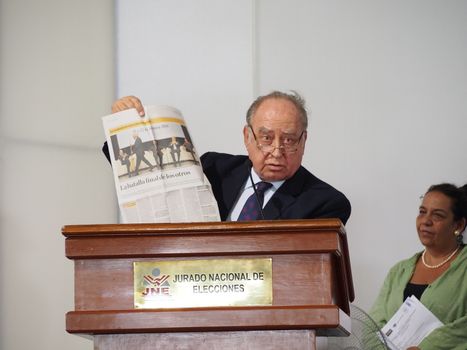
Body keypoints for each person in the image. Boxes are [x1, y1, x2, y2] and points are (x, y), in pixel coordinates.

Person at [106, 91, 351, 224]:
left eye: (288, 140)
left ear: (304, 140)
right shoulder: (215, 168)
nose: (277, 151)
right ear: (247, 136)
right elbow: (155, 177)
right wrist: (126, 124)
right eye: (266, 138)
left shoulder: (326, 203)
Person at [369, 183, 467, 350]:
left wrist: (427, 347)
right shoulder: (398, 271)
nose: (426, 221)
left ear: (458, 226)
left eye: (437, 215)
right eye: (422, 212)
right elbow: (372, 327)